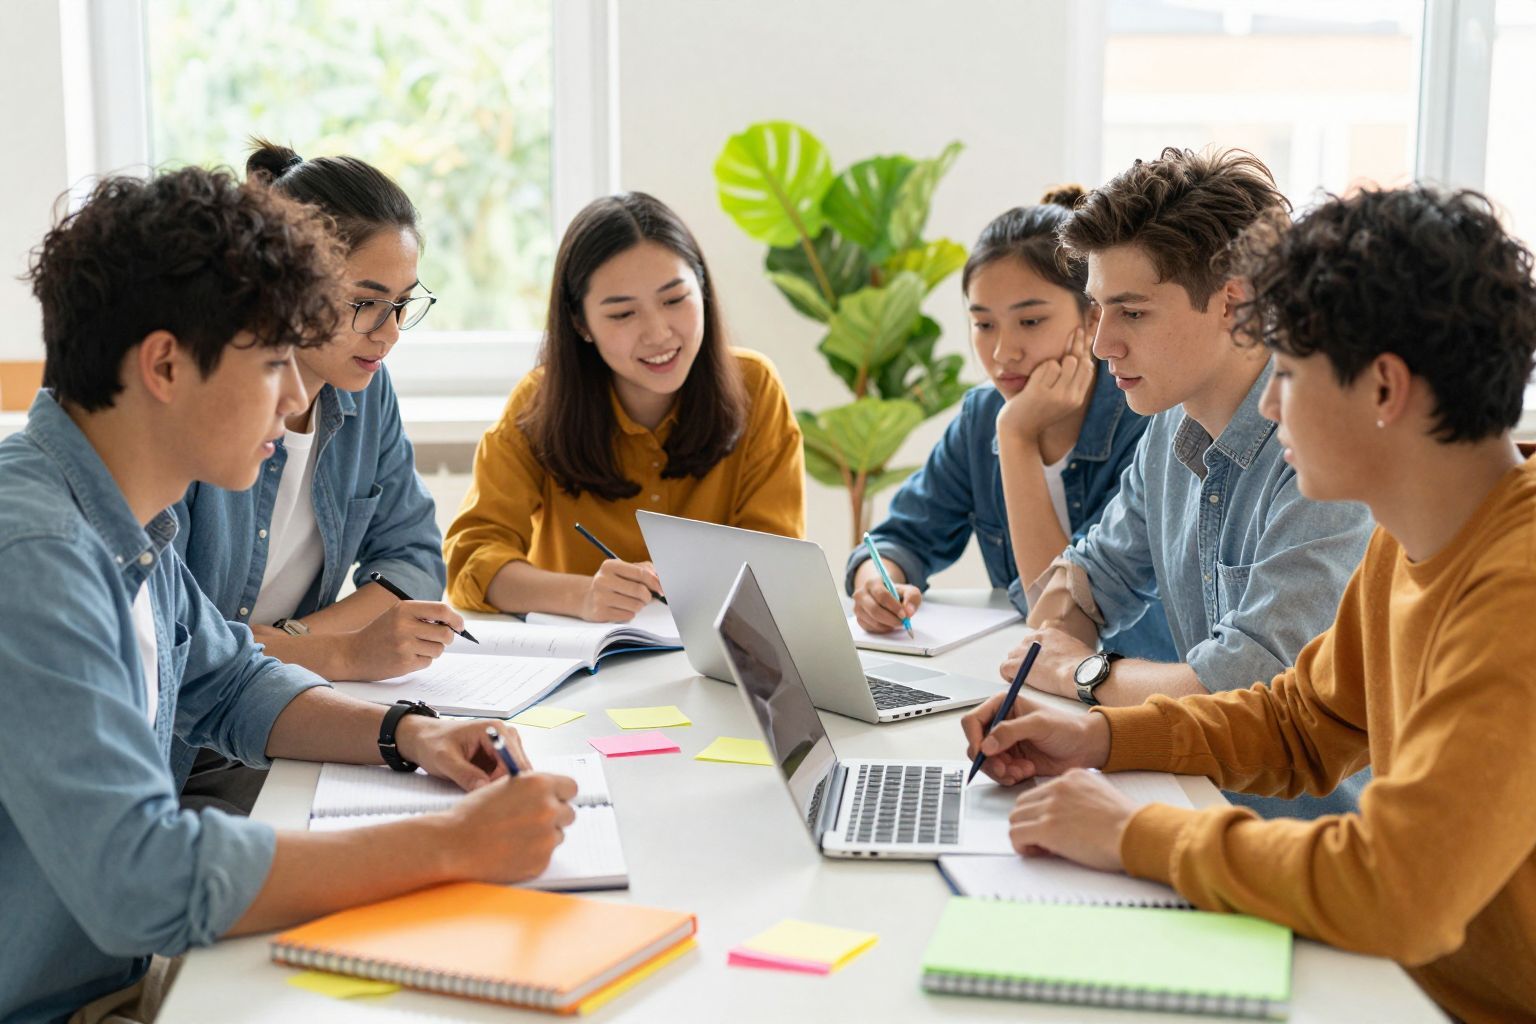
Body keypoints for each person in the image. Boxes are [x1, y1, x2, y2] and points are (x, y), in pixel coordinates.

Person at [0, 167, 574, 1024]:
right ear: (163, 364)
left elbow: (228, 679)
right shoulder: (37, 554)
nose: (301, 396)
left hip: (108, 983)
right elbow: (142, 882)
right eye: (274, 362)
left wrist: (410, 733)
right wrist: (450, 846)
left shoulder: (128, 520)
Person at [962, 185, 1536, 1024]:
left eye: (1292, 375)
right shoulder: (1406, 540)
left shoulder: (1517, 588)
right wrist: (1101, 735)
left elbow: (1400, 887)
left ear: (1384, 389)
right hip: (1390, 977)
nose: (1270, 403)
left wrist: (1132, 837)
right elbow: (1302, 722)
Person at [992, 148, 1374, 818]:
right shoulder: (1171, 428)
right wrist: (1056, 643)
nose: (1102, 343)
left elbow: (1246, 688)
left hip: (1306, 851)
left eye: (1132, 312)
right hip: (1185, 799)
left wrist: (1078, 671)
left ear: (1235, 302)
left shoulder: (1328, 456)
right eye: (1097, 309)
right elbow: (1082, 579)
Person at [172, 142, 450, 814]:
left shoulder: (366, 392)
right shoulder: (203, 409)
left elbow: (411, 558)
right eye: (366, 302)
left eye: (403, 306)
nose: (388, 336)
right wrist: (342, 654)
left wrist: (314, 647)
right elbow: (183, 661)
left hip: (280, 708)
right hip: (187, 750)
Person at [444, 191, 805, 622]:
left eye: (674, 300)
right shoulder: (539, 404)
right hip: (586, 665)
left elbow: (777, 562)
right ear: (581, 324)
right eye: (622, 315)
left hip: (717, 661)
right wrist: (582, 596)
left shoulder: (754, 387)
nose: (657, 333)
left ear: (703, 289)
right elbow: (471, 560)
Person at [846, 188, 1174, 661]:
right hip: (1032, 676)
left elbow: (1065, 615)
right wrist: (878, 584)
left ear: (1092, 316)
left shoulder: (1143, 420)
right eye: (984, 325)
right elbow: (901, 537)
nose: (1002, 354)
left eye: (1031, 321)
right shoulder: (983, 416)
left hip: (1125, 692)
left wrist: (1017, 438)